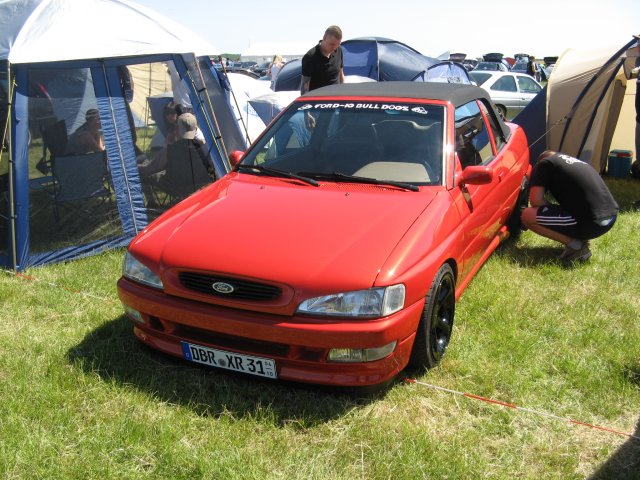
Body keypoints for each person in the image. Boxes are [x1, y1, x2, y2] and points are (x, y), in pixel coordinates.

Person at [521, 150, 619, 265]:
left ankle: (577, 247)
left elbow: (535, 201)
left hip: (591, 222)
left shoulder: (545, 163)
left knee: (528, 215)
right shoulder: (580, 163)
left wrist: (548, 210)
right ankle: (580, 238)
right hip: (610, 218)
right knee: (569, 212)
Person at [300, 25, 345, 94]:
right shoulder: (310, 57)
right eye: (332, 44)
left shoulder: (339, 50)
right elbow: (304, 88)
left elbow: (341, 75)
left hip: (336, 99)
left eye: (337, 44)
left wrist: (344, 95)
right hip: (319, 101)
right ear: (324, 38)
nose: (334, 48)